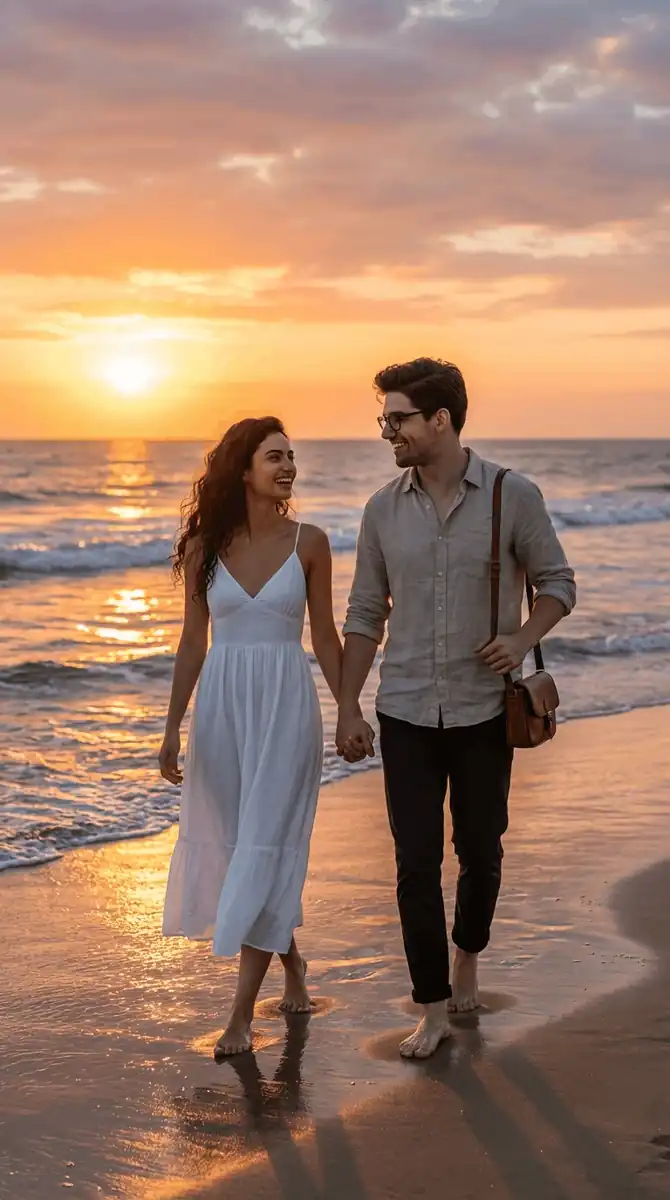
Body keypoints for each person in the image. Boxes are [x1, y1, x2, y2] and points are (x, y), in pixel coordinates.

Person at [336, 358, 576, 1060]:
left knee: (481, 850)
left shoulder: (512, 494)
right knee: (414, 864)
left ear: (440, 420)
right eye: (383, 419)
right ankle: (433, 1007)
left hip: (480, 713)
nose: (388, 431)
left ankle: (468, 954)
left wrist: (522, 637)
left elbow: (559, 582)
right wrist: (348, 706)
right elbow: (362, 614)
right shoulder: (381, 509)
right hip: (405, 709)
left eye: (399, 418)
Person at [159, 416, 342, 1057]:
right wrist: (171, 728)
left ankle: (239, 1016)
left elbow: (324, 637)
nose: (287, 466)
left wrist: (350, 709)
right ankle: (290, 963)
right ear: (244, 469)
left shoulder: (311, 542)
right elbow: (191, 644)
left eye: (291, 456)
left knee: (267, 842)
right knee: (243, 846)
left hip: (287, 706)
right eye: (273, 457)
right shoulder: (207, 549)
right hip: (222, 709)